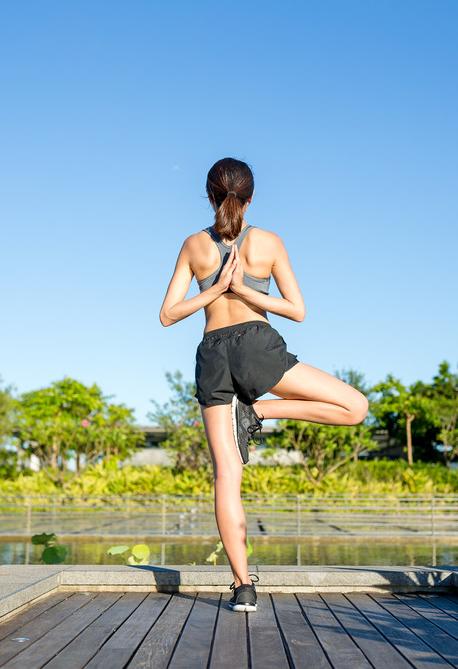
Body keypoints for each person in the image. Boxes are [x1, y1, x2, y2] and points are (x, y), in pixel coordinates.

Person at [159, 157, 368, 612]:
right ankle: (259, 411)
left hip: (212, 355)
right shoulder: (267, 241)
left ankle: (243, 587)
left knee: (226, 477)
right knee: (355, 407)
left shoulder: (193, 245)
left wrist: (215, 290)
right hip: (257, 347)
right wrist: (243, 290)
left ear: (210, 195)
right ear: (250, 197)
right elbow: (297, 310)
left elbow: (167, 315)